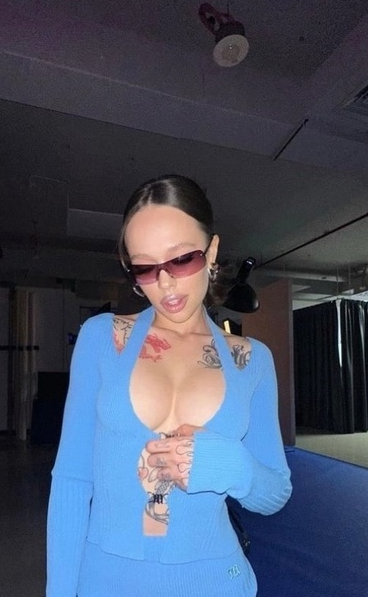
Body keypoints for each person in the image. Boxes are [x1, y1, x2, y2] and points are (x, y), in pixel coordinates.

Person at [46, 174, 292, 596]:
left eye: (180, 259)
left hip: (215, 582)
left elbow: (275, 492)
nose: (164, 283)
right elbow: (71, 480)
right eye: (144, 267)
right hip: (106, 581)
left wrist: (229, 464)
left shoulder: (251, 360)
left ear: (212, 251)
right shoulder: (102, 338)